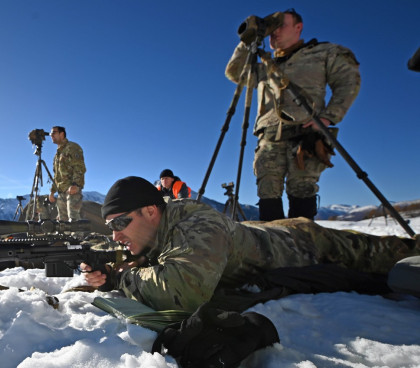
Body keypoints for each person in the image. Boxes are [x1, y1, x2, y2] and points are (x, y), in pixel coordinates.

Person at [81, 176, 418, 313]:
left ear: (151, 211)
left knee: (395, 252)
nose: (116, 236)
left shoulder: (196, 222)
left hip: (304, 243)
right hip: (266, 232)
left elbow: (183, 290)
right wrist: (107, 268)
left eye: (120, 224)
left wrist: (120, 280)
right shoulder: (153, 231)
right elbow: (147, 260)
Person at [225, 9, 361, 221]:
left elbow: (348, 82)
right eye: (271, 28)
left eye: (280, 25)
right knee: (267, 194)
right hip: (269, 138)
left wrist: (328, 118)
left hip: (305, 137)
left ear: (299, 27)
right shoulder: (265, 66)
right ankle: (273, 248)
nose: (274, 32)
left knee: (302, 194)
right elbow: (235, 73)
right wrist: (247, 42)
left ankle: (303, 249)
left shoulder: (323, 53)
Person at [48, 126, 86, 222]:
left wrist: (75, 185)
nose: (51, 135)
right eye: (50, 134)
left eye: (53, 133)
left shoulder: (72, 147)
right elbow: (56, 175)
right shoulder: (57, 155)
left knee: (73, 220)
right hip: (61, 192)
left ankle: (77, 237)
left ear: (62, 134)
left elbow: (79, 167)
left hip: (72, 190)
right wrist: (52, 192)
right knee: (62, 222)